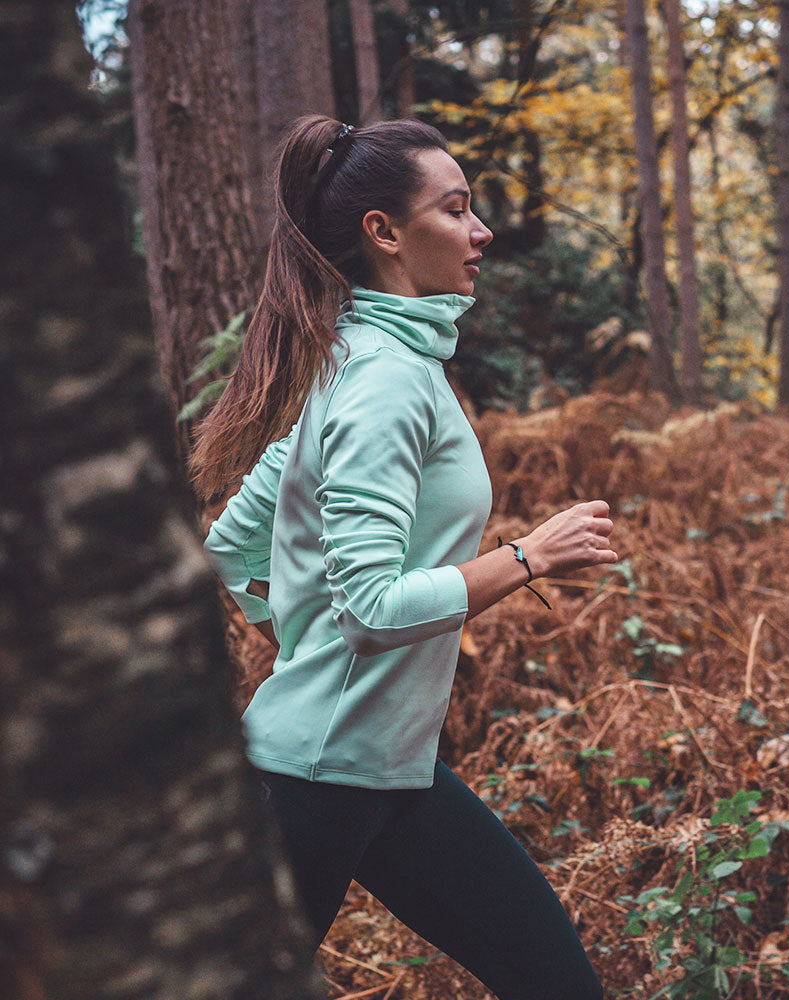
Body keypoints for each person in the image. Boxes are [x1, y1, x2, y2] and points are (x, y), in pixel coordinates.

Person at [191, 115, 615, 1000]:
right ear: (384, 232)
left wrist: (299, 649)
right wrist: (527, 558)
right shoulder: (383, 378)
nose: (481, 231)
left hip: (380, 769)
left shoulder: (362, 360)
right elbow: (370, 607)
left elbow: (229, 548)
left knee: (555, 980)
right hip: (319, 777)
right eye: (455, 210)